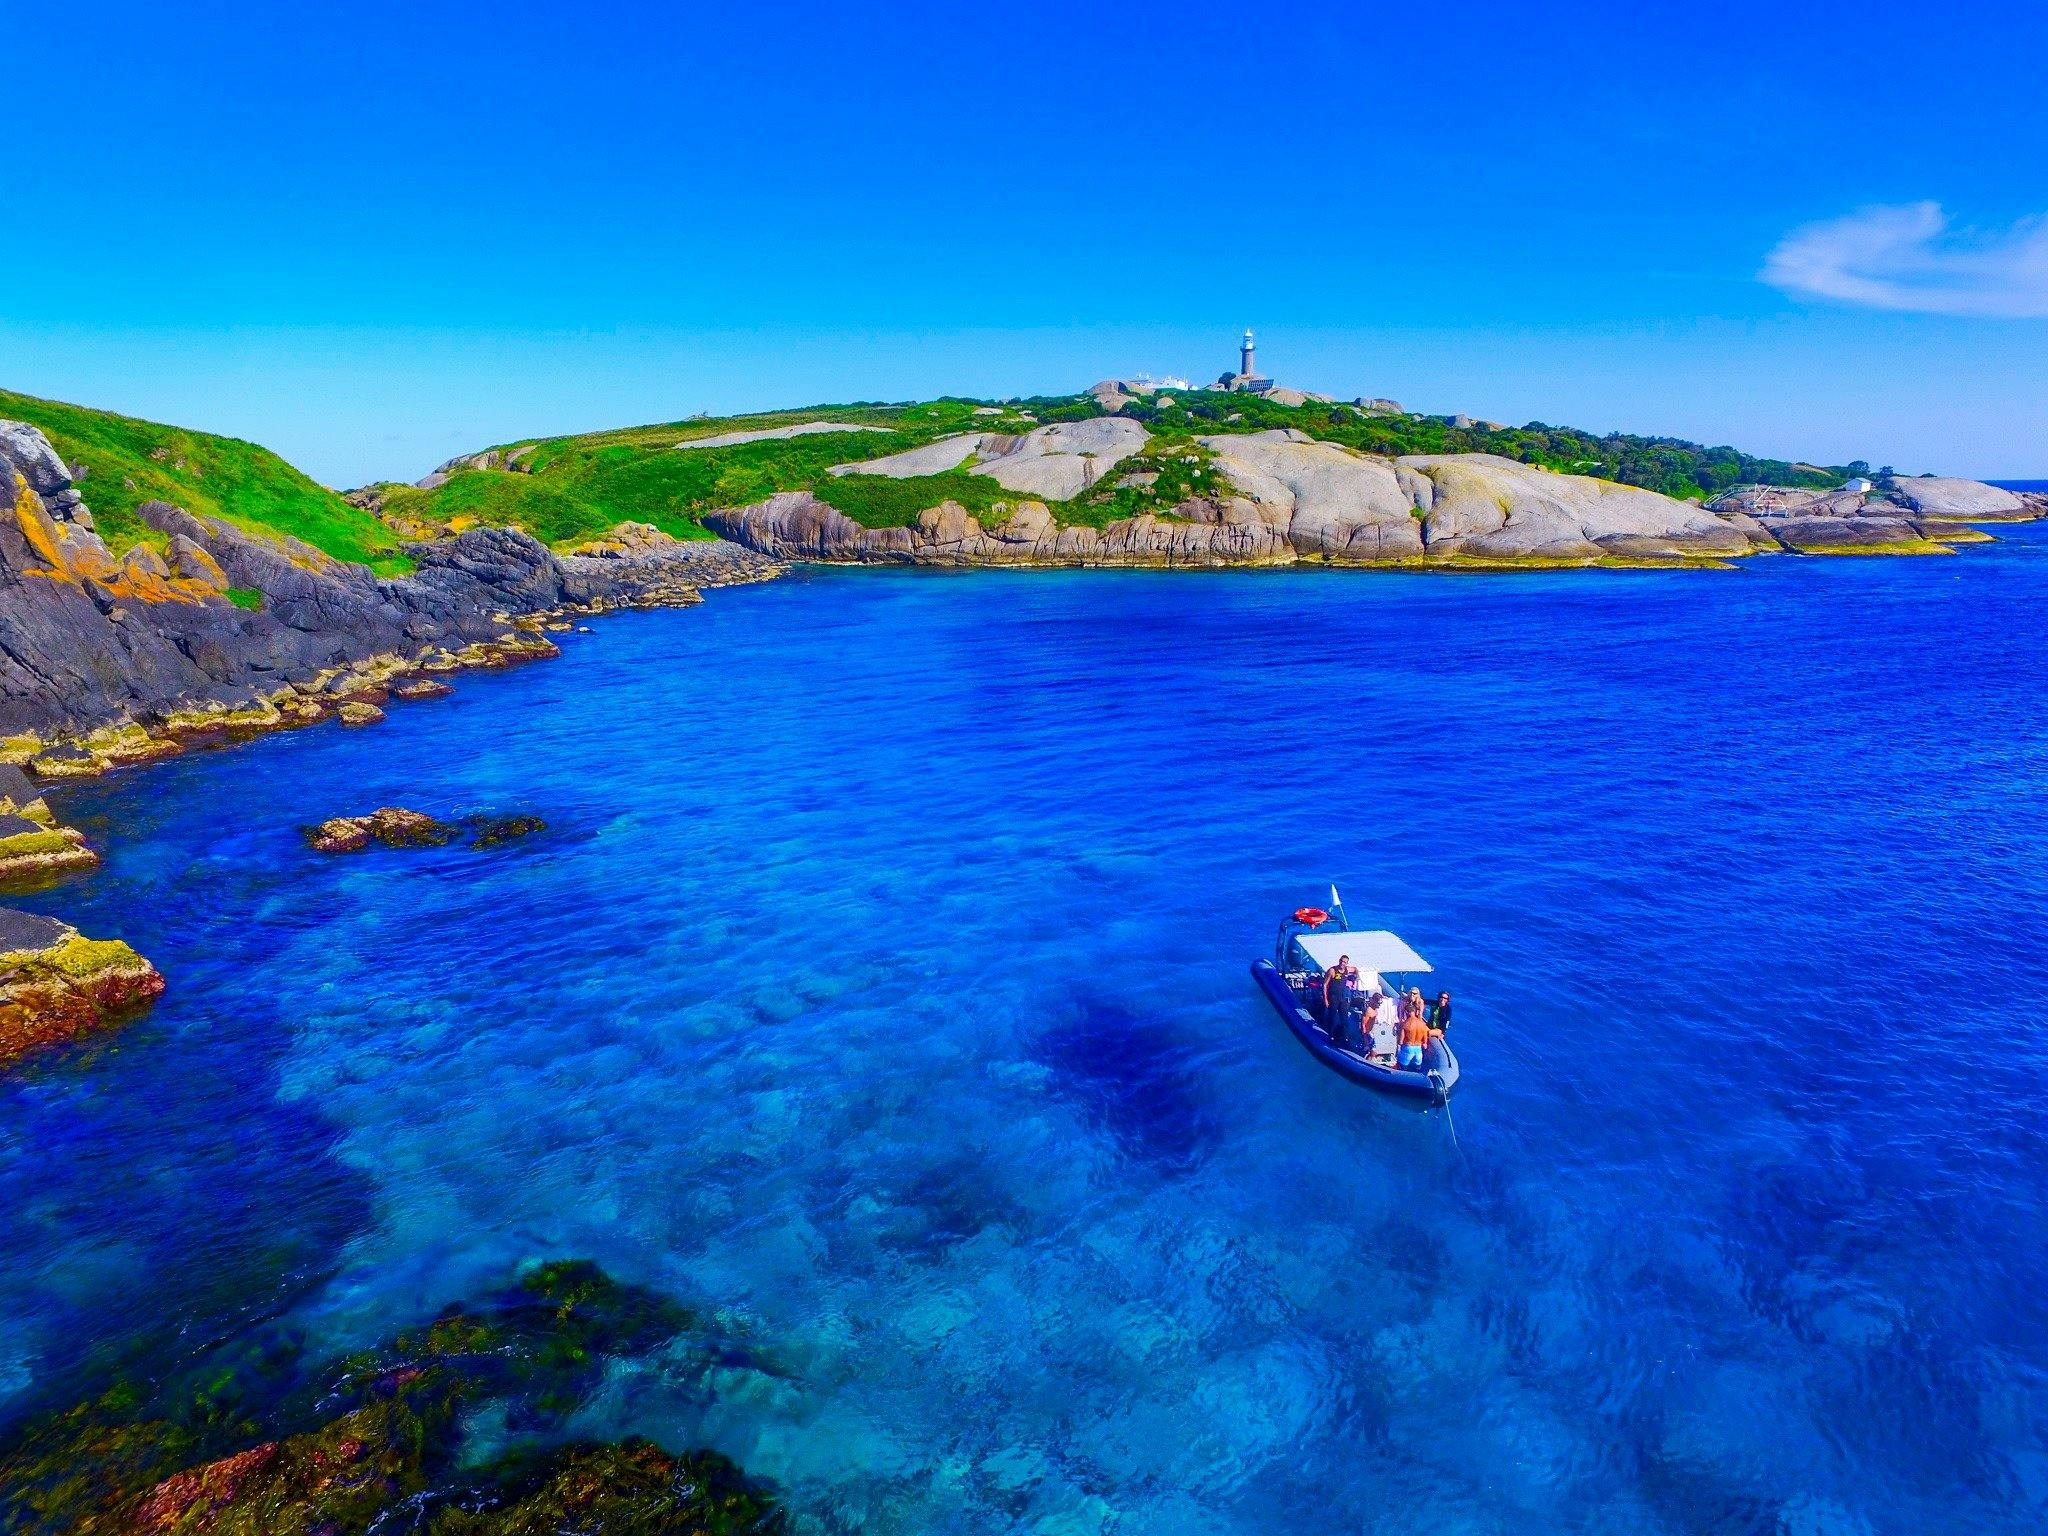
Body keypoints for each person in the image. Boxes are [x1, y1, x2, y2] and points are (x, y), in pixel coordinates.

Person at [1322, 956, 1358, 1047]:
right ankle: (1330, 1036)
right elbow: (1325, 984)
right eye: (1342, 961)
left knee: (1344, 1019)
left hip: (1342, 998)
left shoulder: (1347, 970)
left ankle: (1345, 1038)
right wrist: (1325, 999)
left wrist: (1355, 978)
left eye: (1345, 962)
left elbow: (1355, 969)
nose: (1343, 963)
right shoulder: (1332, 970)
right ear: (1339, 961)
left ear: (1347, 963)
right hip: (1333, 997)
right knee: (1332, 1017)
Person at [1397, 988, 1435, 1070]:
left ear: (1406, 1012)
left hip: (1408, 1048)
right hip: (1418, 1050)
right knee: (1417, 1068)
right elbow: (1425, 1039)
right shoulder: (1423, 1025)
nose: (1412, 995)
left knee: (1402, 1068)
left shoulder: (1406, 1025)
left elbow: (1400, 1041)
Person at [1366, 989, 1397, 1061]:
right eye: (1378, 1003)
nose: (1380, 1005)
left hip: (1374, 1032)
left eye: (1380, 1003)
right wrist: (1365, 1038)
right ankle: (1368, 1061)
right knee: (1373, 1052)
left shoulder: (1376, 1009)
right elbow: (1363, 1025)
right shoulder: (1369, 1011)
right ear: (1374, 1001)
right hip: (1369, 1034)